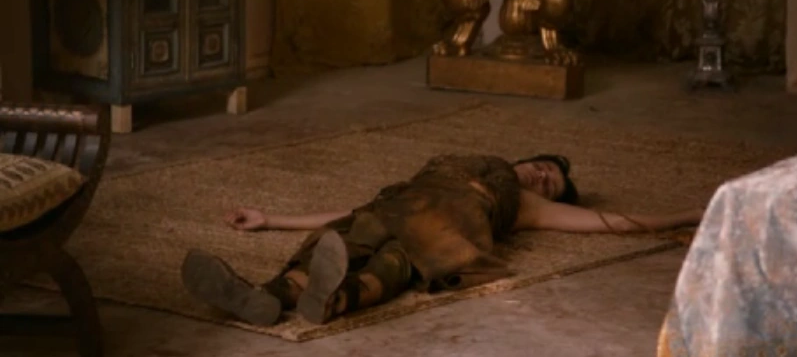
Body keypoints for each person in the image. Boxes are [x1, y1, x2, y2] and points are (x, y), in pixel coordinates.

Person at [181, 154, 704, 327]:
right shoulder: (464, 163)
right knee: (342, 236)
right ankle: (265, 296)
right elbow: (351, 207)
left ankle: (333, 299)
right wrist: (270, 219)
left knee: (398, 260)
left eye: (552, 183)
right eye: (544, 166)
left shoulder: (524, 205)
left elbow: (612, 222)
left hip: (444, 229)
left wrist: (693, 214)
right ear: (525, 158)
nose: (544, 176)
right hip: (392, 206)